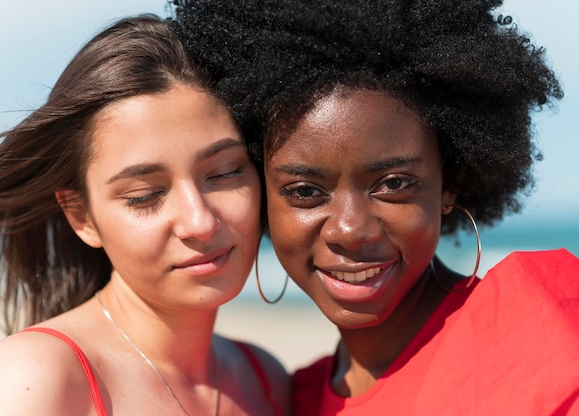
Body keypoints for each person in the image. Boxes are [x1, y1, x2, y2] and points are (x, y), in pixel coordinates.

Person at [171, 0, 579, 414]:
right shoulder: (294, 398)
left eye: (393, 184)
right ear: (261, 200)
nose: (349, 231)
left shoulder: (537, 326)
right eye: (304, 192)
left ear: (449, 184)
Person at [0, 14, 290, 416]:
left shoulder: (266, 380)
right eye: (144, 195)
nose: (200, 222)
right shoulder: (38, 378)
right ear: (82, 217)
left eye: (224, 173)